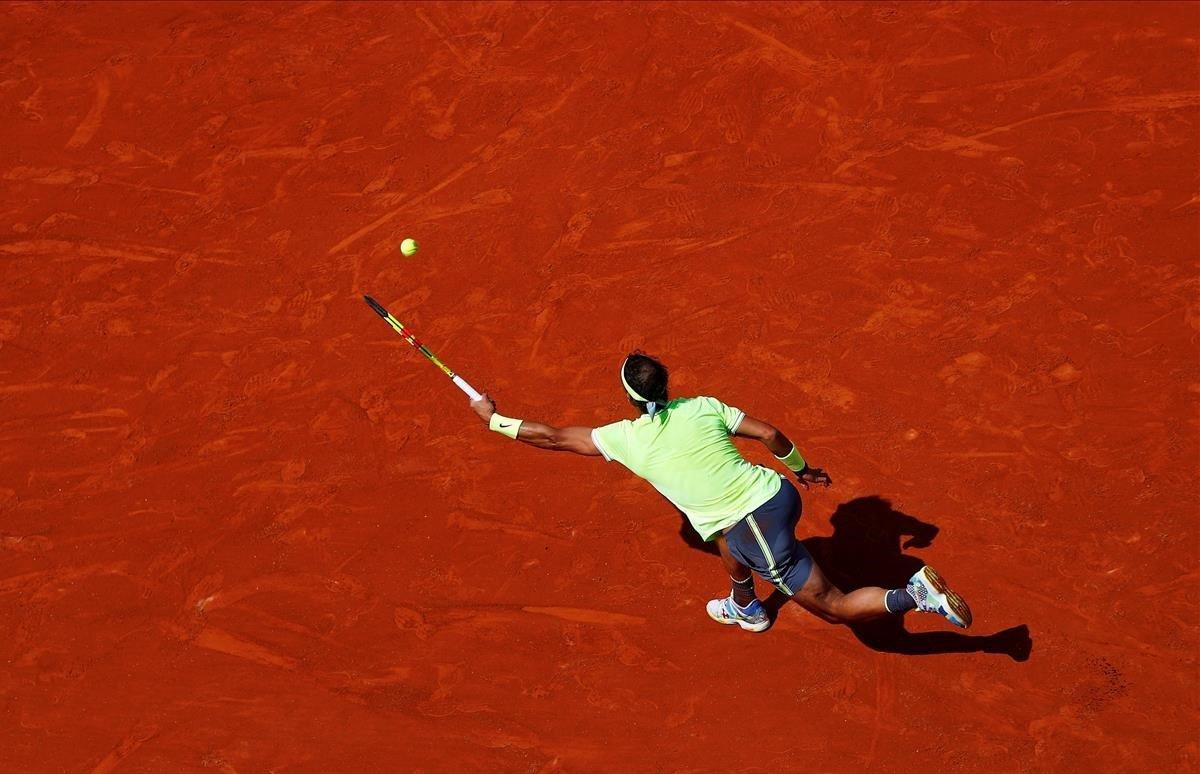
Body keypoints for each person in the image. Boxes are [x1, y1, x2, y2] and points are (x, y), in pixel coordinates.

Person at [469, 352, 972, 634]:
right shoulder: (701, 406)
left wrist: (494, 420)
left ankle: (916, 595)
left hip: (755, 524)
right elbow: (772, 434)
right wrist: (802, 469)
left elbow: (555, 437)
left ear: (630, 397)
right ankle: (747, 604)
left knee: (834, 605)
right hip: (776, 492)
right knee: (720, 532)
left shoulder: (625, 438)